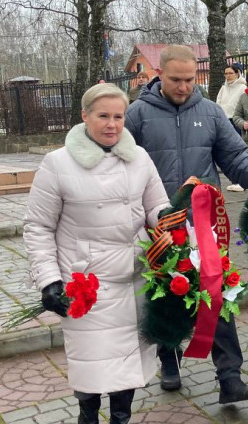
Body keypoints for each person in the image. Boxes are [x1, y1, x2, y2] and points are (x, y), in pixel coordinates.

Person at [125, 44, 248, 404]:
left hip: (203, 227)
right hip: (159, 229)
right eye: (176, 80)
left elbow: (236, 158)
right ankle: (169, 359)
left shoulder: (210, 113)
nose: (184, 87)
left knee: (217, 296)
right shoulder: (137, 115)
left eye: (190, 79)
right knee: (164, 294)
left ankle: (230, 377)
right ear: (159, 75)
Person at [24, 83, 171, 424]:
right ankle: (87, 416)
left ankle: (121, 418)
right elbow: (38, 226)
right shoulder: (58, 163)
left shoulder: (139, 157)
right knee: (91, 365)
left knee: (127, 366)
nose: (112, 125)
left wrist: (167, 216)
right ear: (84, 116)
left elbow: (155, 204)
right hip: (86, 285)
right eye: (103, 116)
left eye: (119, 117)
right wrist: (48, 280)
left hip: (133, 278)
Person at [217, 62, 248, 191]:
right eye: (226, 73)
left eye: (231, 73)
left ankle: (242, 182)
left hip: (236, 121)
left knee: (238, 152)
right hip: (224, 121)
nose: (228, 76)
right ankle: (235, 180)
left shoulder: (243, 88)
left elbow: (245, 106)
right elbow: (218, 103)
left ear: (237, 73)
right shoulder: (223, 88)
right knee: (227, 152)